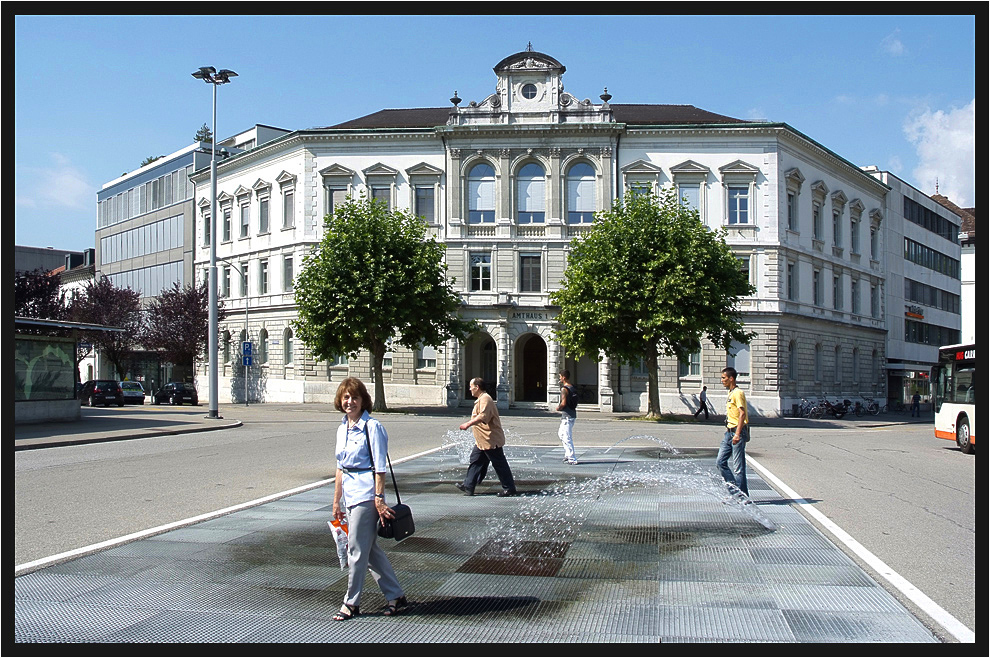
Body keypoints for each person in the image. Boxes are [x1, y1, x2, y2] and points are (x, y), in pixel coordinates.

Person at [331, 377, 407, 621]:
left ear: (363, 400)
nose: (350, 402)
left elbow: (380, 467)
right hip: (349, 494)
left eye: (354, 397)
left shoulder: (371, 427)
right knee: (369, 548)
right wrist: (336, 501)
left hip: (366, 494)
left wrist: (379, 498)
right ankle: (395, 595)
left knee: (356, 548)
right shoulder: (343, 428)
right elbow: (340, 467)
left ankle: (351, 602)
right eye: (346, 397)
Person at [457, 377, 517, 496]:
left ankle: (509, 488)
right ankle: (469, 486)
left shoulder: (485, 399)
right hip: (482, 440)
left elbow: (483, 416)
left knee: (499, 464)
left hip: (490, 439)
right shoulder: (482, 398)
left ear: (477, 387)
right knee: (475, 460)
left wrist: (468, 424)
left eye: (471, 386)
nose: (470, 389)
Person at [716, 367, 749, 497]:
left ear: (731, 379)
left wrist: (737, 434)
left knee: (738, 467)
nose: (722, 380)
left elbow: (742, 414)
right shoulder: (731, 393)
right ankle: (735, 491)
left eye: (724, 378)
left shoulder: (738, 393)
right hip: (729, 432)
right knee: (720, 462)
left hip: (737, 432)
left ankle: (742, 496)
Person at [556, 370, 579, 464]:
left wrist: (558, 408)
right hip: (572, 414)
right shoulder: (572, 387)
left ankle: (572, 458)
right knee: (561, 434)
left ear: (564, 377)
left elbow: (563, 403)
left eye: (560, 376)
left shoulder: (564, 389)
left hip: (567, 416)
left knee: (566, 437)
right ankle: (567, 454)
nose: (559, 378)